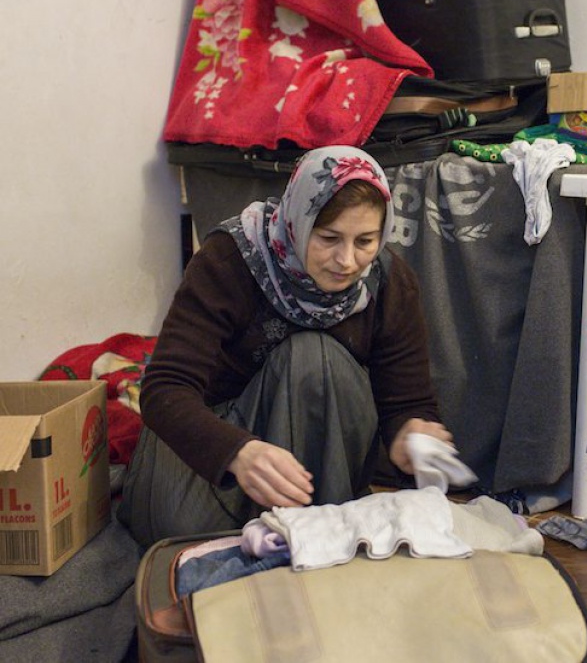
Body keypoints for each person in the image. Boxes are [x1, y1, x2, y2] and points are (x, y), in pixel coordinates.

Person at [118, 146, 453, 547]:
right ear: (298, 220)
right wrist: (238, 452)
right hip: (215, 448)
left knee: (315, 355)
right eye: (329, 238)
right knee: (184, 534)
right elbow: (164, 390)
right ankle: (310, 531)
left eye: (365, 240)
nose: (347, 260)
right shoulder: (231, 261)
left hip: (309, 469)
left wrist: (409, 434)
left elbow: (407, 401)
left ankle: (321, 534)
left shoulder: (387, 283)